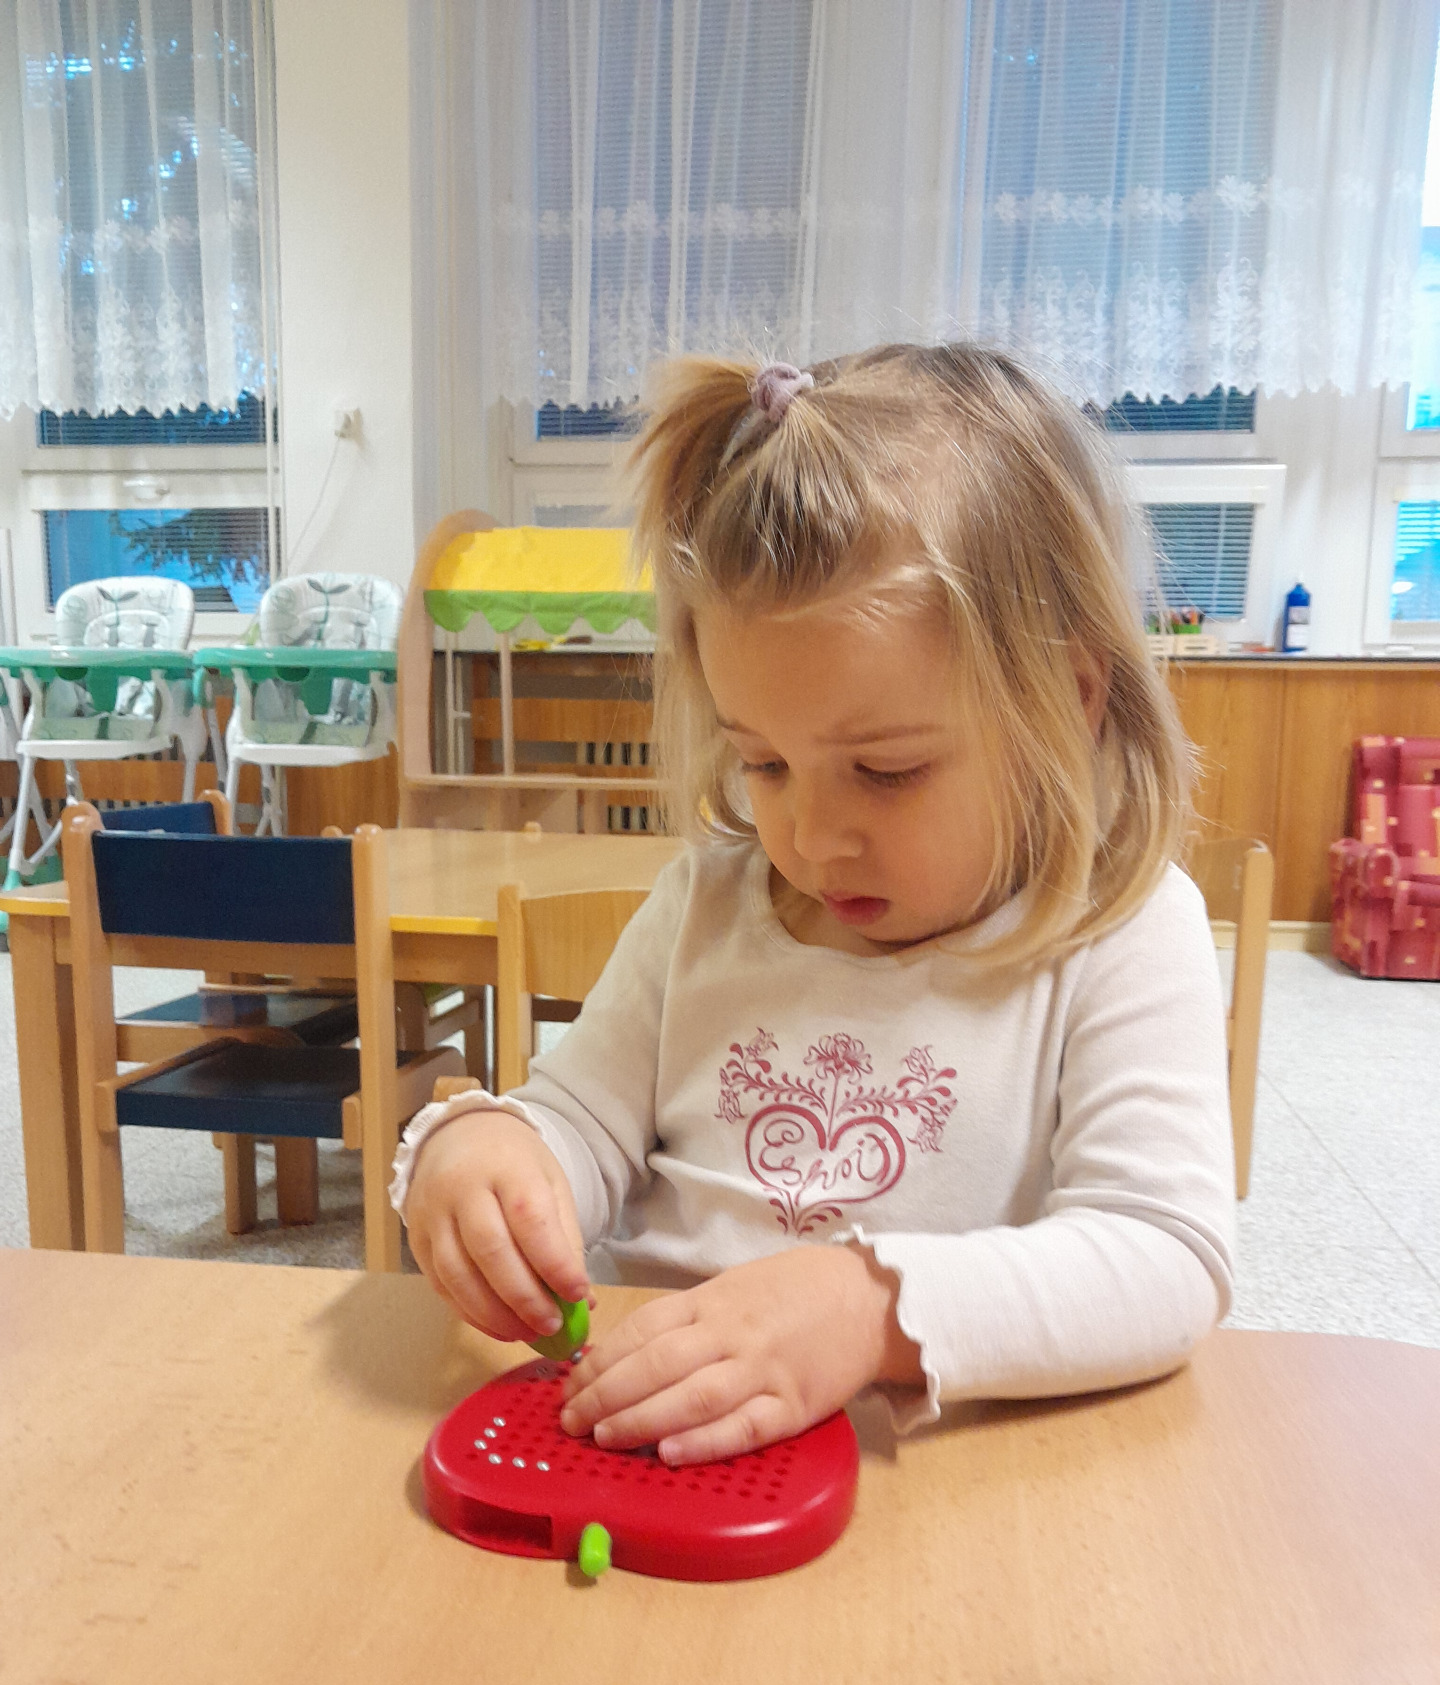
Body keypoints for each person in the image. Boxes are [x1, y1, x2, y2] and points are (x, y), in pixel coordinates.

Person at [392, 344, 1235, 1466]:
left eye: (886, 771)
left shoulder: (1121, 934)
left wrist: (869, 1309)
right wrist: (489, 1153)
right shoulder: (704, 907)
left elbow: (1163, 1257)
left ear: (1067, 698)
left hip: (933, 1489)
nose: (812, 837)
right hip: (651, 1459)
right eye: (766, 763)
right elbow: (578, 1124)